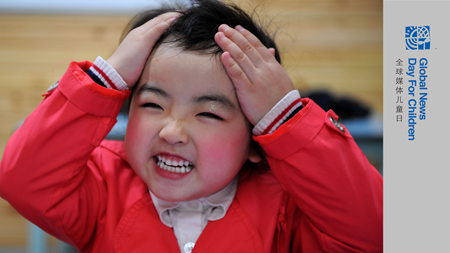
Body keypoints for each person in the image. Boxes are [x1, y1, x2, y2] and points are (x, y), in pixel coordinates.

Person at [0, 0, 383, 252]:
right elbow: (22, 180)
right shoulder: (103, 189)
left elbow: (375, 231)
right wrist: (105, 78)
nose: (171, 131)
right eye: (151, 104)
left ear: (256, 140)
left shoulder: (288, 210)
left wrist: (286, 119)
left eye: (209, 114)